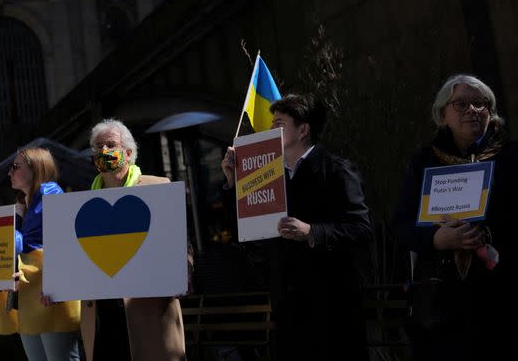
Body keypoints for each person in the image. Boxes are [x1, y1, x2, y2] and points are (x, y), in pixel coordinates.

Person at [221, 94, 372, 361]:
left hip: (332, 307)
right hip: (288, 307)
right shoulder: (267, 175)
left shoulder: (337, 170)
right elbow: (245, 233)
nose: (270, 131)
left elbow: (361, 229)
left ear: (303, 130)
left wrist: (312, 232)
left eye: (279, 124)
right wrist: (234, 183)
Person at [393, 74, 517, 360]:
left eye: (480, 103)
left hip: (500, 300)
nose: (472, 110)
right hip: (441, 304)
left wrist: (489, 235)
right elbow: (401, 224)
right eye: (461, 104)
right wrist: (436, 238)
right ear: (442, 115)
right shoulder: (425, 161)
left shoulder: (511, 157)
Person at [82, 118, 186, 361]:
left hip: (148, 309)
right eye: (98, 146)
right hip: (104, 315)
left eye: (110, 144)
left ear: (128, 153)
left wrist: (183, 271)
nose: (104, 151)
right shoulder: (82, 202)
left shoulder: (157, 187)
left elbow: (181, 244)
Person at [0, 147, 81, 361]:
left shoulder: (51, 195)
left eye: (15, 166)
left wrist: (57, 285)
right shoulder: (23, 206)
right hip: (30, 295)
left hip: (50, 295)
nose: (9, 172)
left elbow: (65, 246)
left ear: (36, 168)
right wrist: (0, 277)